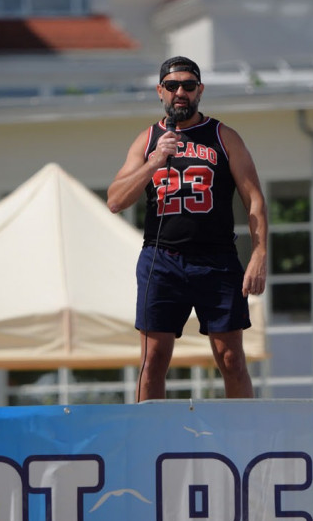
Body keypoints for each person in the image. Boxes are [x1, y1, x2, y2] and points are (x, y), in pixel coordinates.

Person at [107, 56, 268, 402]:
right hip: (161, 259)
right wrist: (154, 162)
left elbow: (253, 197)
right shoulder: (148, 139)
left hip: (217, 259)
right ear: (160, 91)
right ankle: (149, 442)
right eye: (172, 86)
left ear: (200, 91)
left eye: (188, 86)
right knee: (153, 360)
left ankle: (242, 440)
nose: (181, 92)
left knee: (231, 359)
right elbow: (116, 200)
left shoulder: (223, 136)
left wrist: (259, 253)